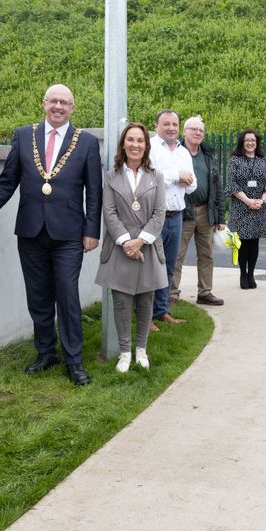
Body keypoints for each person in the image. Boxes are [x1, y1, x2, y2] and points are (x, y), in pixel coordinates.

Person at [0, 84, 102, 386]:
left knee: (67, 295)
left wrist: (92, 231)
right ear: (44, 104)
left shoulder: (85, 142)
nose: (58, 106)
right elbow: (7, 182)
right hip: (31, 230)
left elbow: (94, 191)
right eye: (54, 101)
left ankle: (74, 361)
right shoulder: (23, 136)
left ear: (73, 108)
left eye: (65, 102)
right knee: (38, 296)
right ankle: (46, 353)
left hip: (70, 234)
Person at [95, 123, 168, 373]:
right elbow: (109, 212)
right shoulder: (111, 176)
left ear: (146, 146)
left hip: (147, 246)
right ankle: (125, 353)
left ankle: (141, 350)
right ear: (123, 144)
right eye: (130, 140)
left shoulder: (156, 176)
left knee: (146, 300)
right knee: (121, 302)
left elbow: (159, 214)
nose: (135, 145)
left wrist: (141, 241)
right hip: (120, 247)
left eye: (140, 140)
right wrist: (127, 241)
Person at [149, 110, 197, 330]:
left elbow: (193, 185)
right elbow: (151, 176)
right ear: (157, 125)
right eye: (166, 123)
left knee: (168, 266)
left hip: (176, 216)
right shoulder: (150, 147)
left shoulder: (183, 152)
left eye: (174, 124)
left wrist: (183, 179)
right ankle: (145, 316)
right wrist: (177, 176)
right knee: (151, 267)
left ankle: (161, 311)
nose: (170, 128)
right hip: (154, 215)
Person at [172, 116, 226, 306]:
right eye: (193, 129)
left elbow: (217, 187)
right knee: (177, 254)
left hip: (205, 211)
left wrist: (221, 217)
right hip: (183, 211)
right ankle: (172, 294)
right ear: (184, 132)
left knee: (207, 255)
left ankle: (205, 292)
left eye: (201, 130)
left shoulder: (208, 156)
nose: (197, 133)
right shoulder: (176, 153)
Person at [225, 129, 266, 289]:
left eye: (253, 141)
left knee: (254, 242)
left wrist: (261, 201)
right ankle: (243, 274)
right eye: (247, 140)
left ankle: (251, 274)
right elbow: (231, 184)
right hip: (241, 207)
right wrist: (248, 201)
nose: (250, 143)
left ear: (257, 143)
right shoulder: (234, 160)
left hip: (259, 207)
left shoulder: (264, 161)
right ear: (242, 142)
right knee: (242, 242)